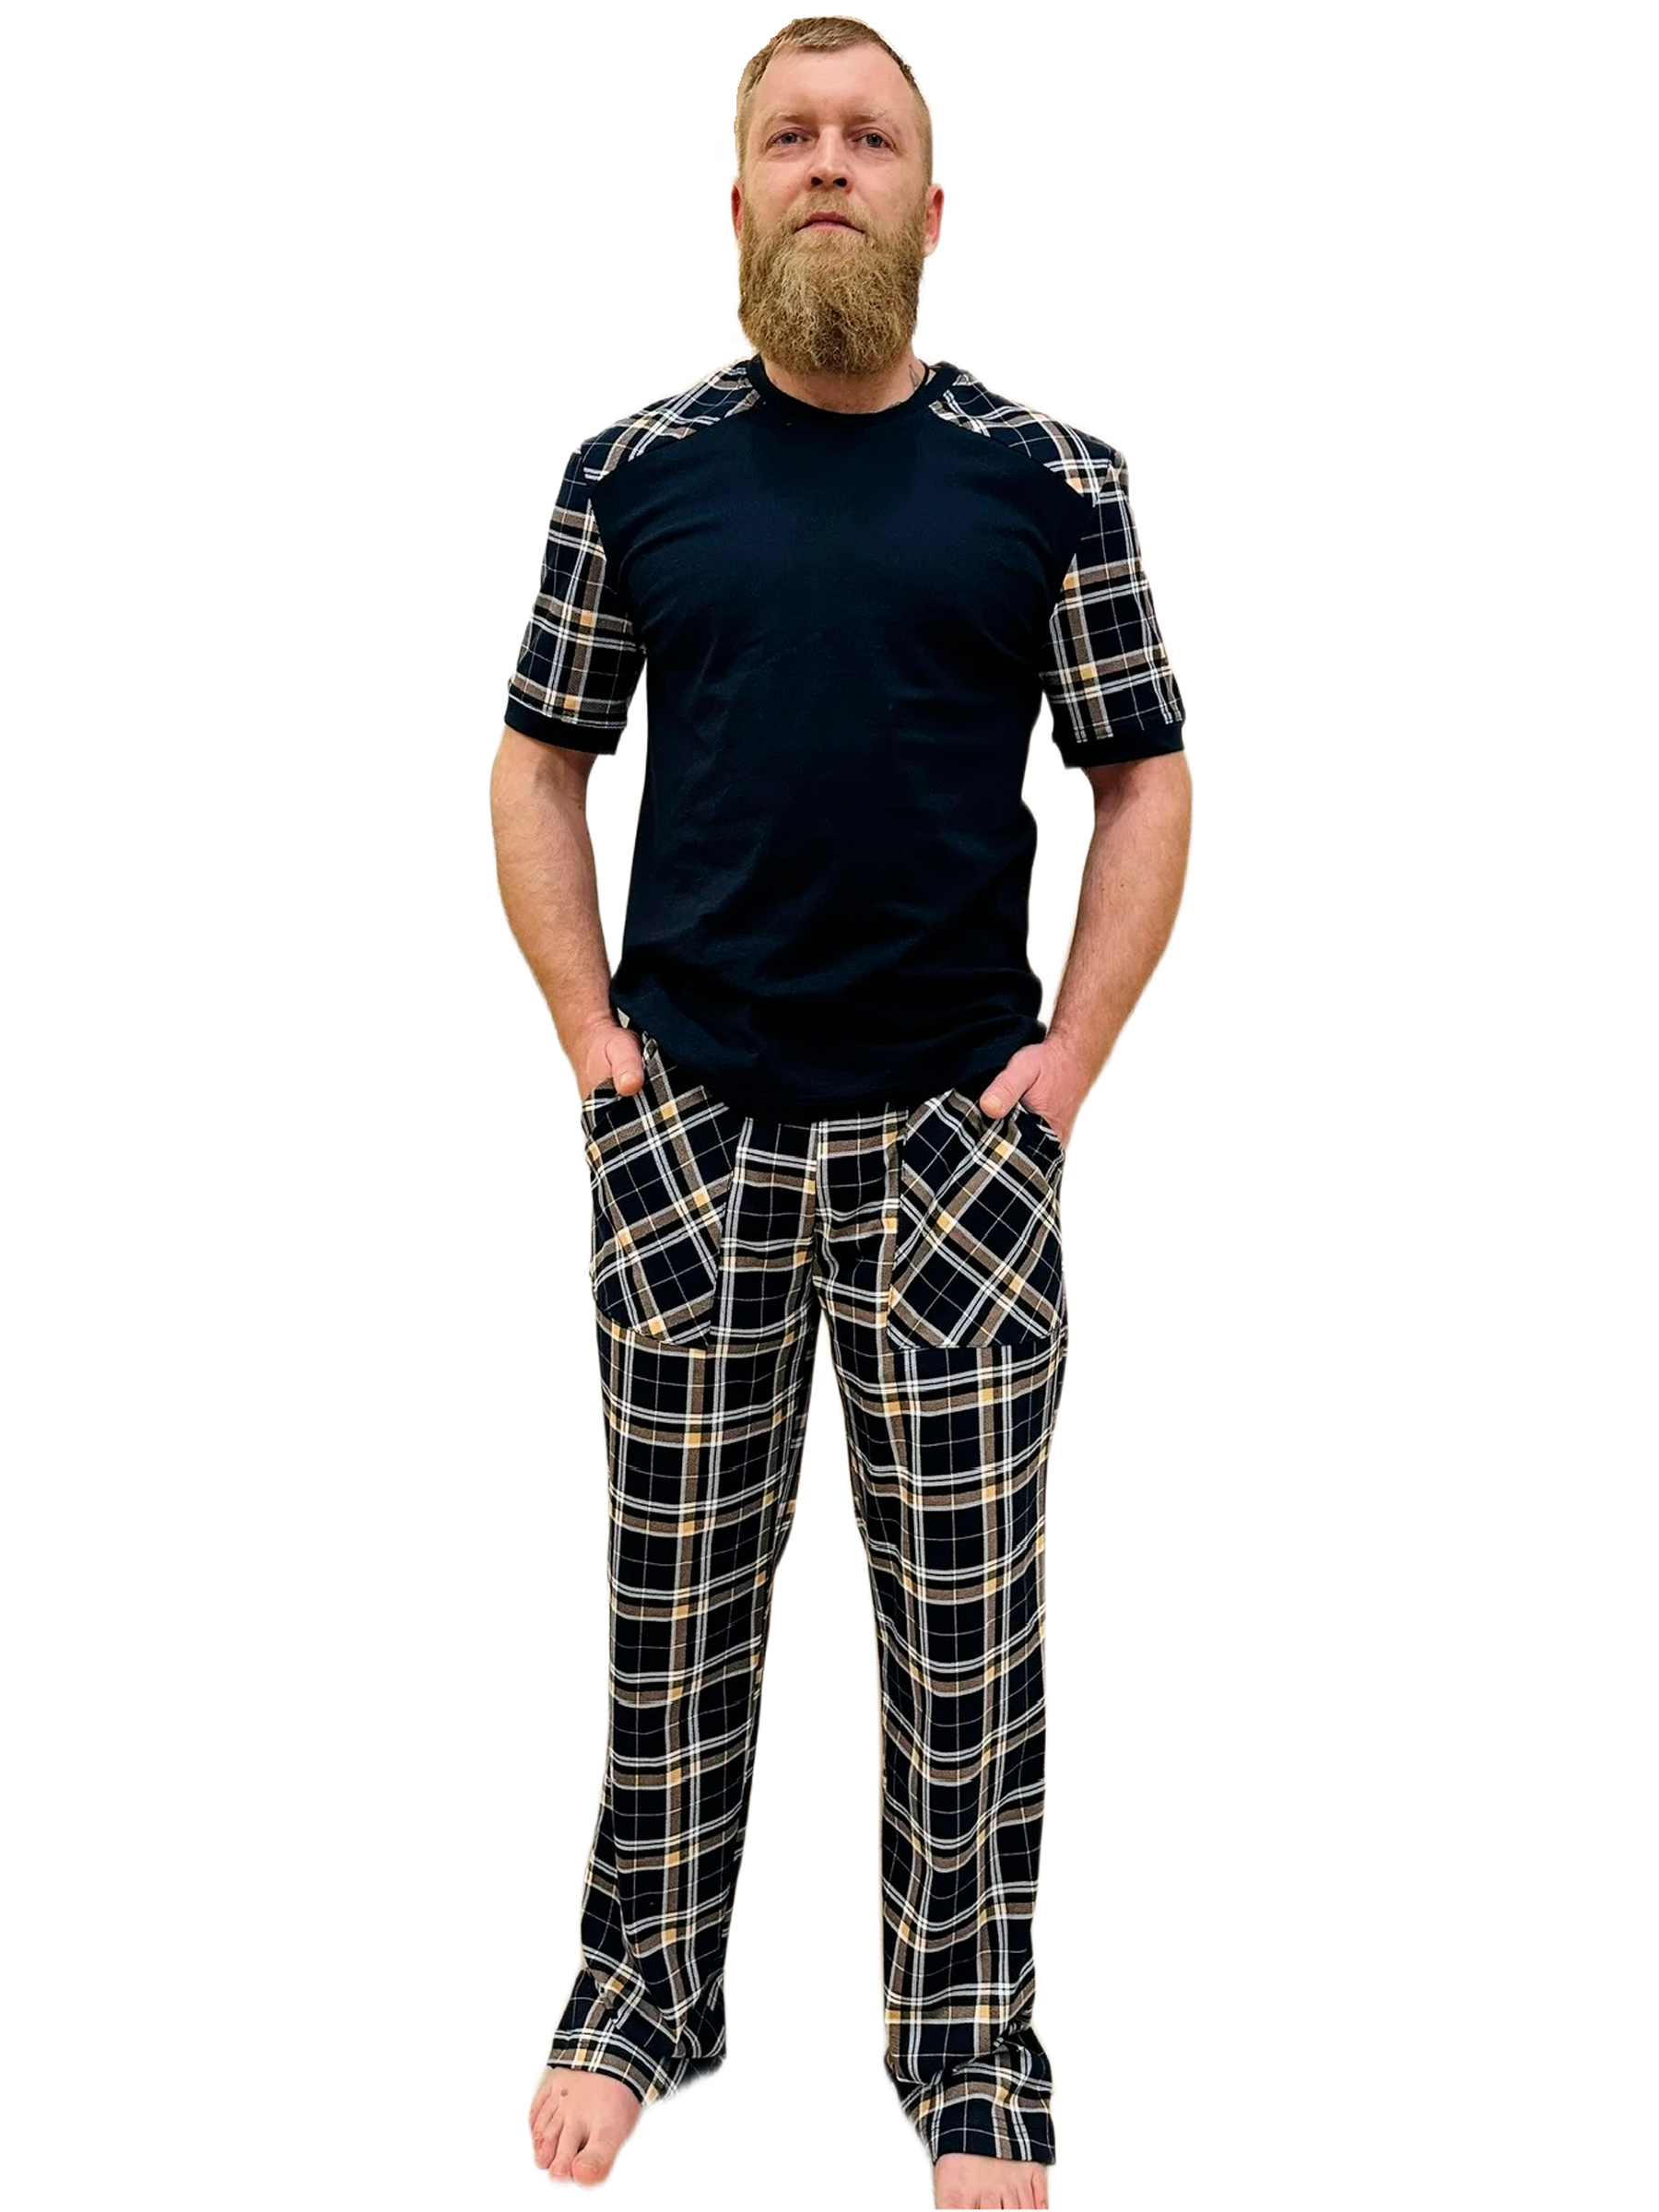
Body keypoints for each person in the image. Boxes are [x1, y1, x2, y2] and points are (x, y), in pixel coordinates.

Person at [489, 17, 1191, 2206]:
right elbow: (538, 764)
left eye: (868, 138)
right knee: (675, 1605)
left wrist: (1063, 1079)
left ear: (930, 207)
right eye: (789, 137)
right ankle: (640, 1991)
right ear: (736, 201)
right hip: (691, 1141)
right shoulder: (631, 476)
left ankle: (970, 2055)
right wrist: (597, 1054)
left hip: (957, 1160)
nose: (827, 165)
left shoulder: (1051, 481)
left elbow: (1146, 777)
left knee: (966, 1634)